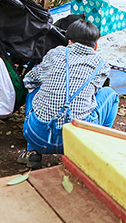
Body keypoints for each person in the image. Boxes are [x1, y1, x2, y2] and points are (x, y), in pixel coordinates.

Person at [19, 19, 118, 169]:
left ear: (69, 41)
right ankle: (96, 148)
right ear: (96, 46)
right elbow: (94, 93)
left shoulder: (55, 53)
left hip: (37, 136)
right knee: (110, 94)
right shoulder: (102, 64)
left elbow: (29, 80)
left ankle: (31, 152)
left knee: (34, 90)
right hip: (77, 141)